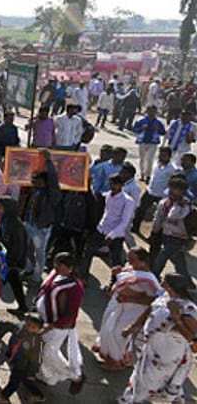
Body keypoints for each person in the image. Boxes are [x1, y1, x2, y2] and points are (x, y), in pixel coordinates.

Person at [118, 273, 197, 403]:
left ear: (171, 286)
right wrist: (133, 327)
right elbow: (150, 310)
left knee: (148, 380)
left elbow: (190, 335)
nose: (161, 280)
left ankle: (132, 400)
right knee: (142, 375)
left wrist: (176, 317)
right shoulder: (163, 296)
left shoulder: (188, 308)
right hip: (150, 346)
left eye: (164, 280)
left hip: (167, 353)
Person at [94, 246, 160, 370]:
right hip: (120, 306)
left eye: (132, 259)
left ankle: (116, 363)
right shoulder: (131, 268)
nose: (129, 261)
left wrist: (130, 299)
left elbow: (155, 299)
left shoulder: (150, 279)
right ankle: (119, 358)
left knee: (117, 334)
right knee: (108, 329)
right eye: (128, 258)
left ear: (143, 261)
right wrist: (117, 273)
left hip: (133, 311)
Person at [35, 252, 86, 394]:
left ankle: (75, 376)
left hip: (59, 326)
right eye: (55, 263)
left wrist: (50, 326)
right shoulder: (56, 274)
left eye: (60, 265)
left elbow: (71, 313)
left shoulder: (75, 287)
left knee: (48, 352)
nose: (55, 267)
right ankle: (46, 377)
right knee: (46, 350)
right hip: (46, 321)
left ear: (70, 268)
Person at [79, 173, 134, 282]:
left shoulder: (128, 201)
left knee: (116, 261)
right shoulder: (108, 195)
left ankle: (115, 283)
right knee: (88, 252)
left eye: (115, 184)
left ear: (121, 185)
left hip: (116, 235)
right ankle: (83, 277)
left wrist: (111, 236)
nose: (112, 186)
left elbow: (124, 222)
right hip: (101, 230)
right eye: (111, 184)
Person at [0, 314, 45, 403]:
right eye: (28, 325)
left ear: (39, 329)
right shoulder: (20, 328)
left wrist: (32, 373)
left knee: (14, 382)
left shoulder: (35, 341)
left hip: (23, 366)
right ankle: (38, 395)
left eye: (33, 327)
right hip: (16, 360)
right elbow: (9, 328)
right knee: (26, 381)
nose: (29, 328)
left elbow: (35, 359)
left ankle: (3, 396)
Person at [132, 105, 166, 181]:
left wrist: (158, 129)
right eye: (150, 111)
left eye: (153, 111)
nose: (152, 113)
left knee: (150, 159)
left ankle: (148, 175)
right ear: (147, 111)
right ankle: (142, 173)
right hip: (142, 141)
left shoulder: (158, 122)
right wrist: (141, 128)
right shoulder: (141, 120)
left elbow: (163, 132)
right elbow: (134, 129)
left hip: (153, 143)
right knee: (142, 159)